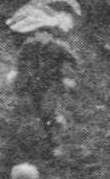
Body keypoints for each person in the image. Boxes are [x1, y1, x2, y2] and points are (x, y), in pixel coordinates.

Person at [14, 25, 78, 157]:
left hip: (53, 85)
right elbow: (20, 59)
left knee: (46, 111)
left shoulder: (60, 47)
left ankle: (56, 144)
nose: (38, 37)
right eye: (37, 34)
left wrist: (69, 78)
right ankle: (54, 127)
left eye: (41, 34)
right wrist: (22, 74)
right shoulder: (30, 45)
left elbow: (74, 62)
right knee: (42, 115)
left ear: (49, 35)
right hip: (34, 86)